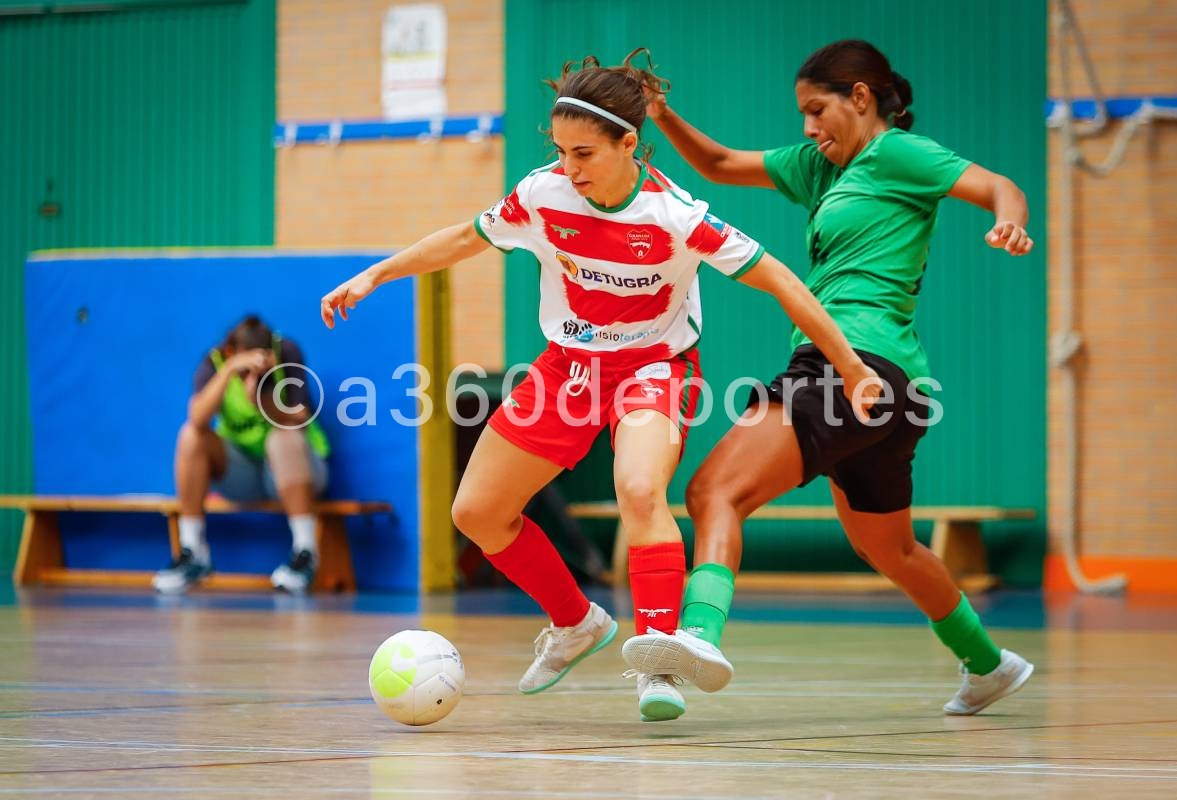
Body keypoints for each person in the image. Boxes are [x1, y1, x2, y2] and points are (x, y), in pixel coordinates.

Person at [320, 49, 878, 722]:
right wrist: (376, 274)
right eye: (560, 152)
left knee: (640, 489)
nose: (568, 168)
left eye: (583, 153)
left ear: (628, 144)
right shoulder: (543, 194)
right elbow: (465, 239)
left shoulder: (677, 217)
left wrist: (851, 367)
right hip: (568, 367)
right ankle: (576, 622)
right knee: (477, 514)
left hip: (654, 368)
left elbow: (784, 281)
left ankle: (660, 662)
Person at [622, 40, 1036, 716]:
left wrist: (1009, 223)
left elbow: (1000, 188)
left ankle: (696, 636)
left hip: (854, 366)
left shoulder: (899, 154)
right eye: (803, 115)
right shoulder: (819, 168)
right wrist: (662, 115)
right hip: (896, 386)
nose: (809, 127)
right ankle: (989, 664)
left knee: (713, 492)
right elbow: (720, 164)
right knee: (890, 548)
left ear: (861, 98)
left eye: (817, 110)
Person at [154, 315, 331, 596]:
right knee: (190, 436)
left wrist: (261, 400)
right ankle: (193, 552)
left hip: (297, 472)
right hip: (243, 474)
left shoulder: (286, 352)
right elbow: (197, 417)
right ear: (229, 353)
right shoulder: (216, 362)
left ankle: (305, 554)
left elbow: (301, 416)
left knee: (282, 436)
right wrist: (229, 370)